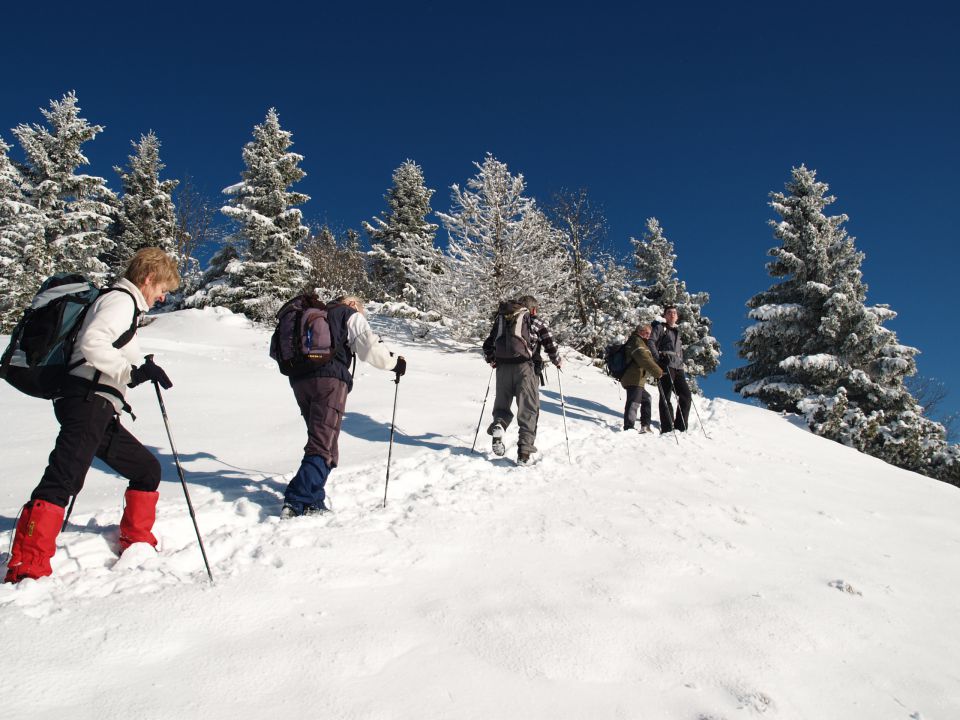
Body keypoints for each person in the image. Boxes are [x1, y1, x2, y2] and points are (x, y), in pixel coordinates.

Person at [4, 248, 180, 583]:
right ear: (147, 279)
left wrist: (144, 369)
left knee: (147, 470)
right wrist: (131, 374)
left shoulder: (124, 307)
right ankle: (27, 563)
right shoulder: (120, 301)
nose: (162, 296)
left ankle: (136, 540)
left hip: (99, 406)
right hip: (86, 401)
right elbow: (93, 343)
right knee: (64, 478)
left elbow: (112, 351)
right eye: (162, 288)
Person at [280, 295, 405, 518]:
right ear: (351, 303)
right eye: (361, 308)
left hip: (300, 381)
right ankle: (297, 498)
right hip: (329, 381)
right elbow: (369, 347)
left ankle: (313, 500)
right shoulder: (346, 313)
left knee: (322, 439)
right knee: (323, 442)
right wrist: (395, 363)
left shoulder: (315, 317)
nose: (362, 313)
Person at [482, 295, 561, 464]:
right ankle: (524, 453)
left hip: (503, 368)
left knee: (502, 406)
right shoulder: (535, 321)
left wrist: (492, 360)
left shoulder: (502, 320)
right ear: (532, 309)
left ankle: (499, 425)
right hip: (525, 369)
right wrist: (557, 360)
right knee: (528, 410)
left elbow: (488, 345)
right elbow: (550, 344)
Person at [649, 305, 692, 433]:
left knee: (686, 395)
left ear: (677, 316)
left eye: (674, 313)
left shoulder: (677, 332)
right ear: (665, 316)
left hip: (678, 367)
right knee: (665, 395)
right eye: (669, 313)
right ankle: (667, 427)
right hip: (666, 364)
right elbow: (651, 342)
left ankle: (681, 426)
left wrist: (681, 363)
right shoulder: (660, 328)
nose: (672, 314)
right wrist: (658, 359)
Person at [621, 323, 664, 433]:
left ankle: (645, 425)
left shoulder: (642, 343)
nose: (648, 335)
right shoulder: (636, 341)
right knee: (634, 401)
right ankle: (628, 427)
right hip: (633, 377)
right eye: (646, 333)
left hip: (637, 378)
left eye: (649, 334)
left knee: (646, 398)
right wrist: (658, 372)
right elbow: (643, 359)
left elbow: (647, 359)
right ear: (639, 331)